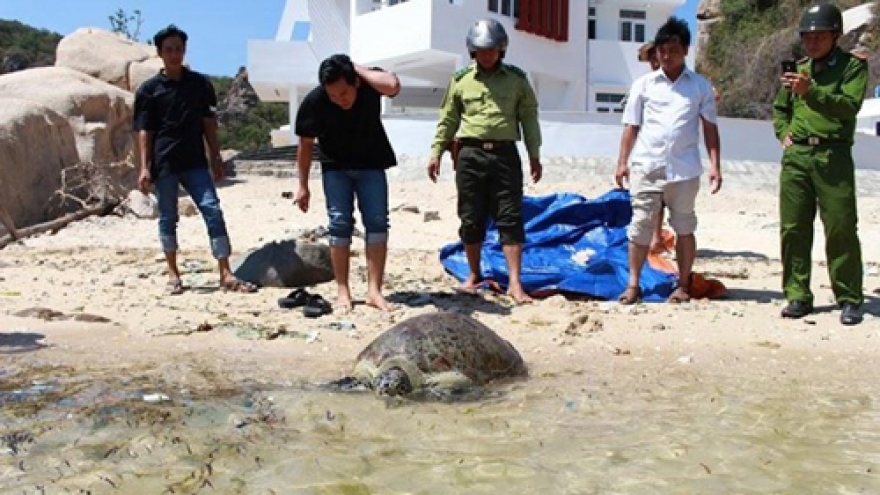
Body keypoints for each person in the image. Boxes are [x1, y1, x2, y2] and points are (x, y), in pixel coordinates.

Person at [133, 25, 257, 295]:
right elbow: (145, 131)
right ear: (159, 53)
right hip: (164, 162)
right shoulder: (149, 90)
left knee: (212, 210)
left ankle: (225, 272)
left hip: (195, 162)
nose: (174, 54)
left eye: (178, 49)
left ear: (184, 50)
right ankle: (173, 274)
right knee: (168, 218)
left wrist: (216, 157)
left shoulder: (200, 85)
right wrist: (144, 167)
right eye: (169, 49)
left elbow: (209, 124)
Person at [427, 18, 543, 305]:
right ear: (472, 51)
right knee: (470, 216)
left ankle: (515, 283)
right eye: (481, 50)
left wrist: (534, 154)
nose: (487, 55)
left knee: (510, 217)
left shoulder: (516, 79)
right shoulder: (461, 80)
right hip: (470, 154)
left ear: (501, 49)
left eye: (492, 50)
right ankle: (474, 274)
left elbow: (529, 117)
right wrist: (436, 152)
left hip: (505, 154)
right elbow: (448, 119)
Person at [771, 2, 868, 325]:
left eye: (819, 36)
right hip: (797, 157)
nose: (811, 43)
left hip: (833, 155)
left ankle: (850, 297)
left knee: (840, 226)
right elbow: (781, 108)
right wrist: (783, 133)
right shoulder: (799, 69)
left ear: (835, 35)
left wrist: (811, 93)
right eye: (806, 37)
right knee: (794, 228)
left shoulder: (853, 67)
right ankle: (797, 294)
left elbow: (849, 106)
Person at [614, 17, 722, 305]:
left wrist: (715, 166)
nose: (665, 55)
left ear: (685, 50)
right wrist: (622, 162)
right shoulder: (643, 85)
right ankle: (633, 285)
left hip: (684, 169)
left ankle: (683, 285)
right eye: (661, 49)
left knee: (685, 226)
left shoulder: (700, 86)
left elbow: (710, 128)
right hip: (646, 166)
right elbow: (631, 126)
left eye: (672, 50)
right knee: (640, 226)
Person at [293, 54, 401, 313]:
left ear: (355, 82)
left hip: (372, 165)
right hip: (335, 169)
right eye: (333, 96)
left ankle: (374, 290)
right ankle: (343, 290)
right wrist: (303, 185)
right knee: (339, 224)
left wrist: (356, 68)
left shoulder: (369, 84)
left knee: (376, 222)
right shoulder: (315, 101)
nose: (339, 100)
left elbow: (393, 86)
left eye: (343, 93)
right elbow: (305, 145)